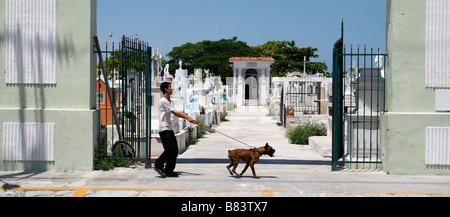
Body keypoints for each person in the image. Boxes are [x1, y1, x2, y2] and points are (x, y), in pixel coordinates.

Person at [155, 82, 198, 178]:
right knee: (169, 149)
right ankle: (158, 164)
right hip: (164, 128)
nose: (172, 89)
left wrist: (189, 117)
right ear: (166, 89)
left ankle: (169, 170)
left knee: (174, 150)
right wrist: (188, 118)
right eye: (170, 87)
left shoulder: (168, 101)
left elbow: (178, 110)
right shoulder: (163, 101)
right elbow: (175, 112)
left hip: (169, 128)